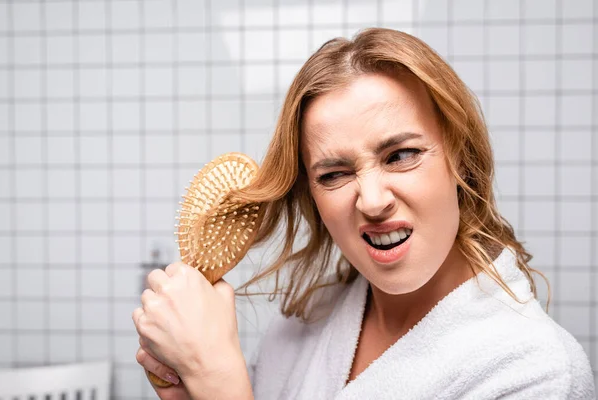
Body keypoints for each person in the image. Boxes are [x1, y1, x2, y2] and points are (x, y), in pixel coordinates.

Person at [132, 28, 595, 399]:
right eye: (334, 174)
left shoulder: (537, 372)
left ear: (461, 160)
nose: (372, 201)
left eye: (401, 155)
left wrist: (217, 378)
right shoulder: (303, 322)